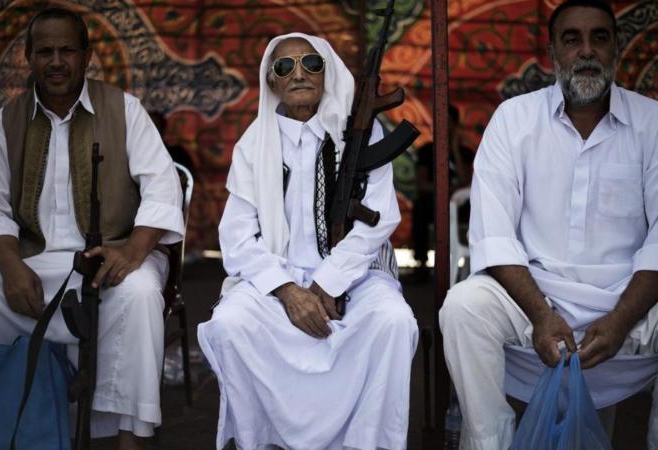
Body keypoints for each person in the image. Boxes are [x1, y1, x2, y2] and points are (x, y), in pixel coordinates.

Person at [439, 0, 658, 448]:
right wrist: (542, 313)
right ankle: (490, 443)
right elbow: (494, 235)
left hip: (628, 308)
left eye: (599, 38)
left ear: (615, 48)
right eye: (572, 39)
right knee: (463, 307)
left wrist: (620, 320)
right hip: (533, 304)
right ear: (553, 51)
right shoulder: (514, 119)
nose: (587, 51)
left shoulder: (652, 123)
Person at [197, 32, 418, 450]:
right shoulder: (253, 143)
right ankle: (261, 442)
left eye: (311, 64)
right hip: (276, 278)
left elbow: (381, 218)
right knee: (230, 324)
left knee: (393, 321)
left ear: (326, 72)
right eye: (285, 67)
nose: (299, 74)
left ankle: (366, 443)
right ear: (272, 81)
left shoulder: (361, 133)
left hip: (357, 275)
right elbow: (236, 236)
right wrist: (287, 291)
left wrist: (328, 281)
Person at [0, 7, 184, 450]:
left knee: (141, 293)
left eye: (67, 50)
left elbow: (163, 190)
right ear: (29, 56)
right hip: (33, 261)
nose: (57, 61)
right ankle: (15, 423)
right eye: (45, 51)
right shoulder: (6, 123)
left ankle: (131, 438)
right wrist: (10, 268)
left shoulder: (124, 110)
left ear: (87, 56)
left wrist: (134, 250)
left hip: (112, 257)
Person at [411, 105, 474, 279]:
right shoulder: (426, 151)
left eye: (449, 122)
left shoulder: (465, 152)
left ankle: (475, 260)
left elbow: (467, 183)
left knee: (479, 208)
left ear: (456, 125)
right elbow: (421, 184)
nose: (444, 126)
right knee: (420, 207)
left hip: (459, 204)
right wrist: (444, 190)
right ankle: (421, 264)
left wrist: (454, 149)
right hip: (433, 202)